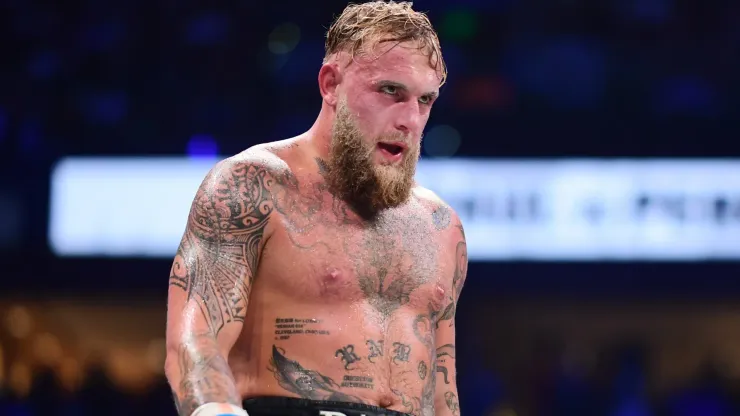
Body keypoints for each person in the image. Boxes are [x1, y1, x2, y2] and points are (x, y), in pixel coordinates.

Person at [164, 2, 467, 416]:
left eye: (425, 100)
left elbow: (442, 389)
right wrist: (214, 409)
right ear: (330, 84)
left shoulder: (441, 226)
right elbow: (196, 340)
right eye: (390, 91)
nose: (410, 120)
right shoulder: (255, 185)